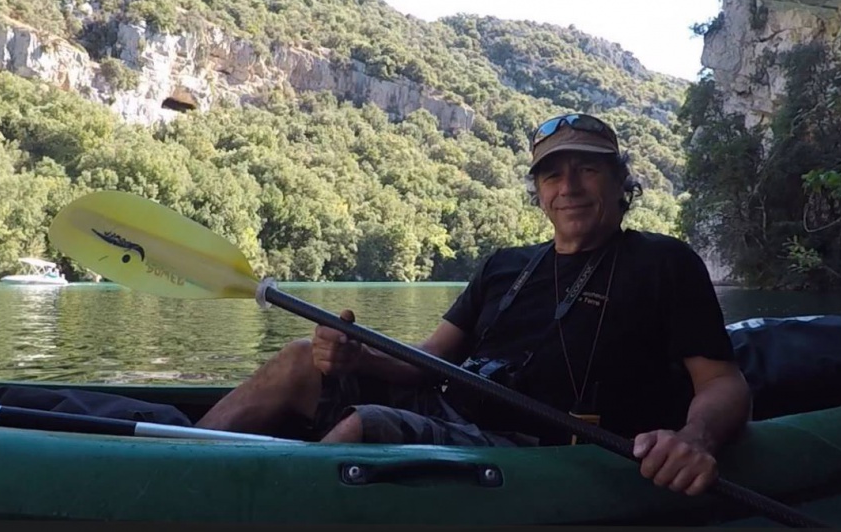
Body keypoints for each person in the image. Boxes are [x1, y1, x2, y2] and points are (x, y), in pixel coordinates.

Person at [194, 113, 752, 497]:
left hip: (535, 448)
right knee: (299, 358)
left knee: (368, 425)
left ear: (620, 181)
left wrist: (694, 439)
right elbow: (427, 362)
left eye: (587, 169)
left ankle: (253, 506)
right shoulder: (506, 265)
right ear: (539, 193)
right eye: (552, 174)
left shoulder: (662, 261)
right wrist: (356, 356)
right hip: (457, 412)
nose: (569, 186)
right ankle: (183, 464)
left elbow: (724, 384)